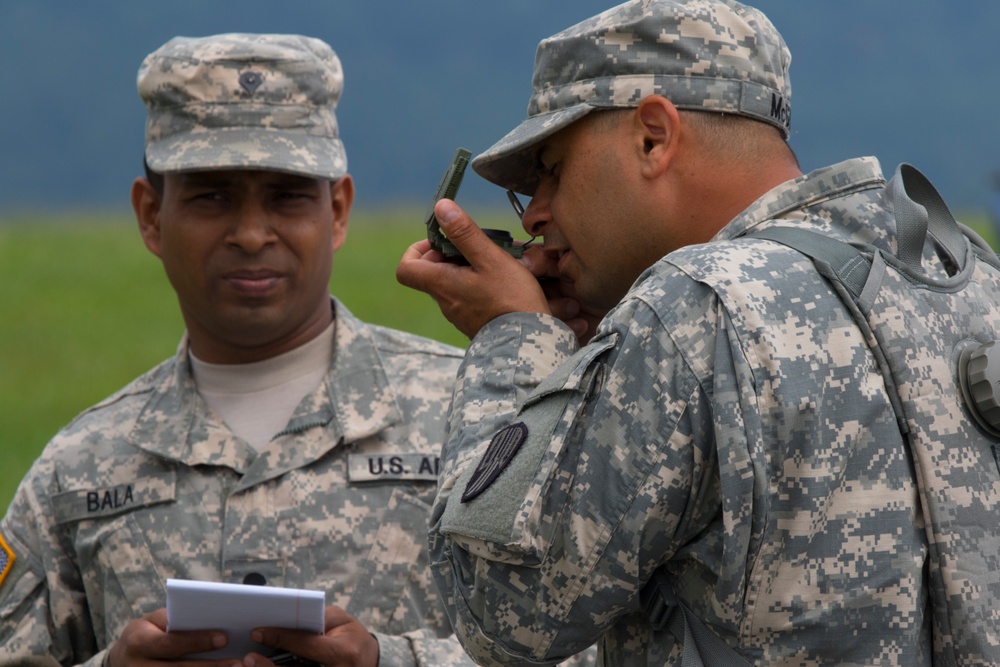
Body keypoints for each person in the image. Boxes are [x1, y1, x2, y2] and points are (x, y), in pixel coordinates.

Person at [397, 0, 938, 664]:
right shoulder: (959, 277)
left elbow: (499, 612)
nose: (535, 215)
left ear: (653, 135)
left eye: (551, 171)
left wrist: (515, 339)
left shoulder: (689, 308)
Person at [0, 33, 477, 667]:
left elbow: (600, 648)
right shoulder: (75, 472)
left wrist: (392, 662)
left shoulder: (477, 423)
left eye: (287, 195)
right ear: (150, 216)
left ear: (337, 211)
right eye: (212, 196)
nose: (252, 234)